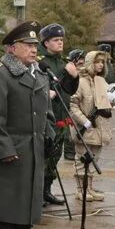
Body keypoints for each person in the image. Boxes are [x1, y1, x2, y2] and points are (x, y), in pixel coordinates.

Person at [0, 20, 52, 229]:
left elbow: (46, 113)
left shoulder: (40, 74)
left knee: (29, 198)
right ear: (12, 48)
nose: (34, 49)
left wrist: (50, 136)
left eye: (35, 45)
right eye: (27, 44)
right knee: (6, 199)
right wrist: (4, 148)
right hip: (12, 146)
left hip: (35, 146)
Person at [37, 23, 78, 206]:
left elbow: (69, 90)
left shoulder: (63, 63)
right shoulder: (39, 62)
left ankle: (47, 190)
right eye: (55, 40)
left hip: (61, 115)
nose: (60, 43)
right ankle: (37, 192)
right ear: (46, 43)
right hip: (46, 116)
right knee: (43, 156)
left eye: (61, 40)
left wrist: (74, 76)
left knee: (55, 155)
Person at [68, 51, 112, 201]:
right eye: (97, 62)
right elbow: (73, 105)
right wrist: (83, 121)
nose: (100, 65)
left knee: (94, 159)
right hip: (85, 128)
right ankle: (81, 190)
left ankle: (90, 188)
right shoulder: (80, 81)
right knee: (82, 159)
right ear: (90, 63)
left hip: (99, 128)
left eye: (102, 62)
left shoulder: (100, 81)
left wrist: (110, 101)